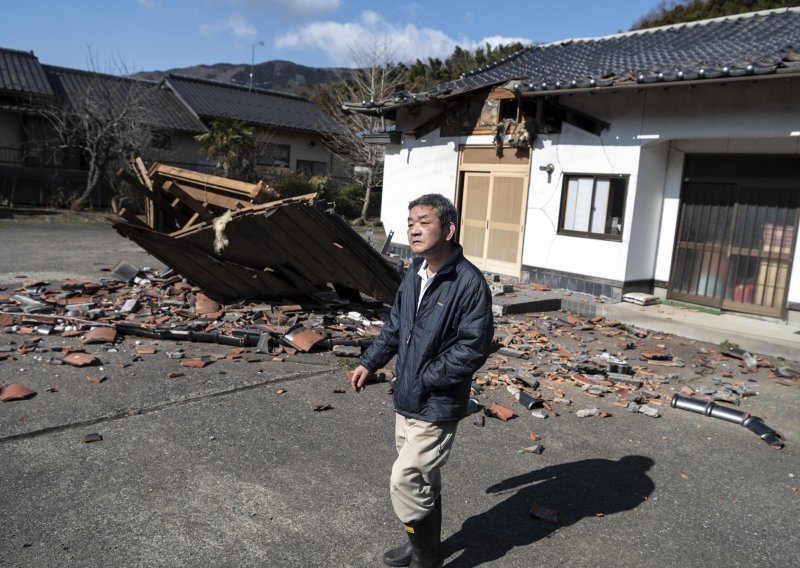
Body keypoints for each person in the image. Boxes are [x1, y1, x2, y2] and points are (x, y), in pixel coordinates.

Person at [349, 193, 494, 568]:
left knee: (405, 479)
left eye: (423, 221)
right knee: (423, 478)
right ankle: (422, 548)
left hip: (438, 400)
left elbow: (473, 347)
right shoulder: (415, 272)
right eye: (410, 220)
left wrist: (426, 377)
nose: (413, 228)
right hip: (407, 397)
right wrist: (370, 361)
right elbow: (395, 326)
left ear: (448, 229)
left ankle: (427, 559)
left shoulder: (469, 283)